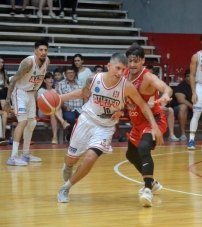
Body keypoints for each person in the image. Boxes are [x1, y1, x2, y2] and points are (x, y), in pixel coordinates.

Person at [57, 53, 163, 203]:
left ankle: (65, 188)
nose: (120, 73)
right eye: (117, 68)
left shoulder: (126, 86)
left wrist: (154, 126)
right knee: (71, 160)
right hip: (87, 120)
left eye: (123, 69)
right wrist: (60, 98)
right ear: (109, 66)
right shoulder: (94, 79)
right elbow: (82, 93)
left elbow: (142, 105)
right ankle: (68, 165)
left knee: (90, 158)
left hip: (105, 127)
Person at [124, 43, 173, 207]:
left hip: (155, 120)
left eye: (136, 61)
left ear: (143, 61)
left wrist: (166, 94)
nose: (132, 65)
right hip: (137, 122)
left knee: (144, 147)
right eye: (130, 61)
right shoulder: (125, 74)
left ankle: (147, 190)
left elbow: (166, 87)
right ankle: (152, 182)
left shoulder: (147, 78)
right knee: (130, 155)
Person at [3, 40, 50, 166]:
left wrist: (35, 91)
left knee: (32, 122)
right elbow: (13, 81)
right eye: (40, 50)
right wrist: (8, 100)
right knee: (23, 122)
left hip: (31, 93)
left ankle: (25, 153)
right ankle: (13, 156)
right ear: (35, 51)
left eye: (45, 50)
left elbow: (38, 79)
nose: (43, 52)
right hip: (20, 92)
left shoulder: (47, 61)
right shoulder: (28, 62)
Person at [146, 65, 178, 141]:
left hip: (156, 108)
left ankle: (171, 135)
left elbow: (165, 96)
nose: (149, 75)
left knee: (170, 110)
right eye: (148, 73)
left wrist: (162, 106)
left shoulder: (158, 84)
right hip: (146, 109)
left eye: (151, 73)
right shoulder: (142, 84)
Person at [37, 72, 70, 144]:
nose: (51, 80)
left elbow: (61, 104)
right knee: (52, 110)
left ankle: (55, 137)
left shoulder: (56, 90)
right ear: (44, 80)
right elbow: (40, 104)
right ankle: (63, 122)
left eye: (52, 78)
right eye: (48, 78)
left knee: (52, 112)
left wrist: (57, 91)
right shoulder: (41, 90)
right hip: (43, 111)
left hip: (54, 112)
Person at [58, 66, 85, 142]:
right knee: (70, 118)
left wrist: (85, 108)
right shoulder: (60, 84)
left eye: (72, 72)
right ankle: (71, 135)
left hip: (80, 108)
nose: (70, 74)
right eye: (68, 73)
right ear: (65, 74)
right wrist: (64, 107)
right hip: (68, 109)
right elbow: (58, 98)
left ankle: (73, 136)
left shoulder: (81, 83)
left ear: (75, 74)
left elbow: (85, 97)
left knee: (85, 118)